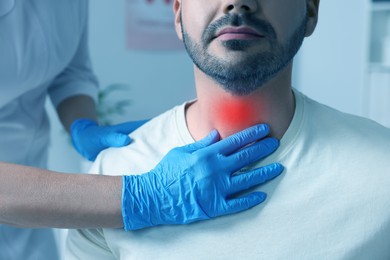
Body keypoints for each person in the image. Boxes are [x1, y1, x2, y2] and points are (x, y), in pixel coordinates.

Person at [65, 0, 390, 259]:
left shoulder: (381, 172)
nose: (237, 3)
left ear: (311, 10)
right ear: (178, 13)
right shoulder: (116, 173)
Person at [0, 0, 283, 259]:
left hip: (30, 211)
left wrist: (80, 124)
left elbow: (69, 72)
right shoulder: (114, 170)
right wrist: (143, 197)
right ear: (178, 13)